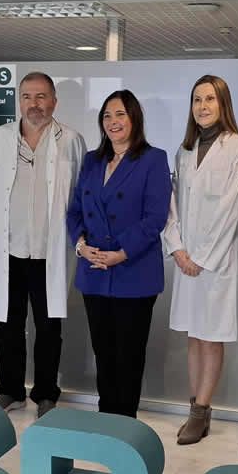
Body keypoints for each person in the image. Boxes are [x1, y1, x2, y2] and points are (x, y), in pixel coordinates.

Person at [0, 72, 85, 418]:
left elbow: (80, 195)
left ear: (54, 101)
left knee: (48, 327)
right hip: (10, 250)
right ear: (19, 100)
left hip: (49, 251)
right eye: (27, 96)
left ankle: (45, 393)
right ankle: (11, 391)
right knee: (8, 327)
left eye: (41, 96)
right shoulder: (0, 139)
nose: (34, 104)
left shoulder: (71, 140)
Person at [68, 90, 172, 419]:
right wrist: (81, 246)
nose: (113, 122)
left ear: (134, 118)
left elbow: (155, 218)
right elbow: (75, 211)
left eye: (120, 115)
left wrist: (120, 253)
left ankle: (125, 423)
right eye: (107, 116)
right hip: (94, 270)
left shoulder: (153, 159)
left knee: (129, 355)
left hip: (133, 271)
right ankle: (105, 419)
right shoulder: (91, 160)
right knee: (103, 352)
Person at [161, 74, 238, 445]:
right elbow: (172, 204)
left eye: (210, 99)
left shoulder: (237, 147)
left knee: (211, 337)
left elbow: (231, 208)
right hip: (186, 259)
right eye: (197, 99)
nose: (203, 106)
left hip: (215, 262)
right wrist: (178, 248)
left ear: (223, 104)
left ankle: (202, 411)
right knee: (194, 335)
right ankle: (194, 405)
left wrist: (202, 257)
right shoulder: (185, 150)